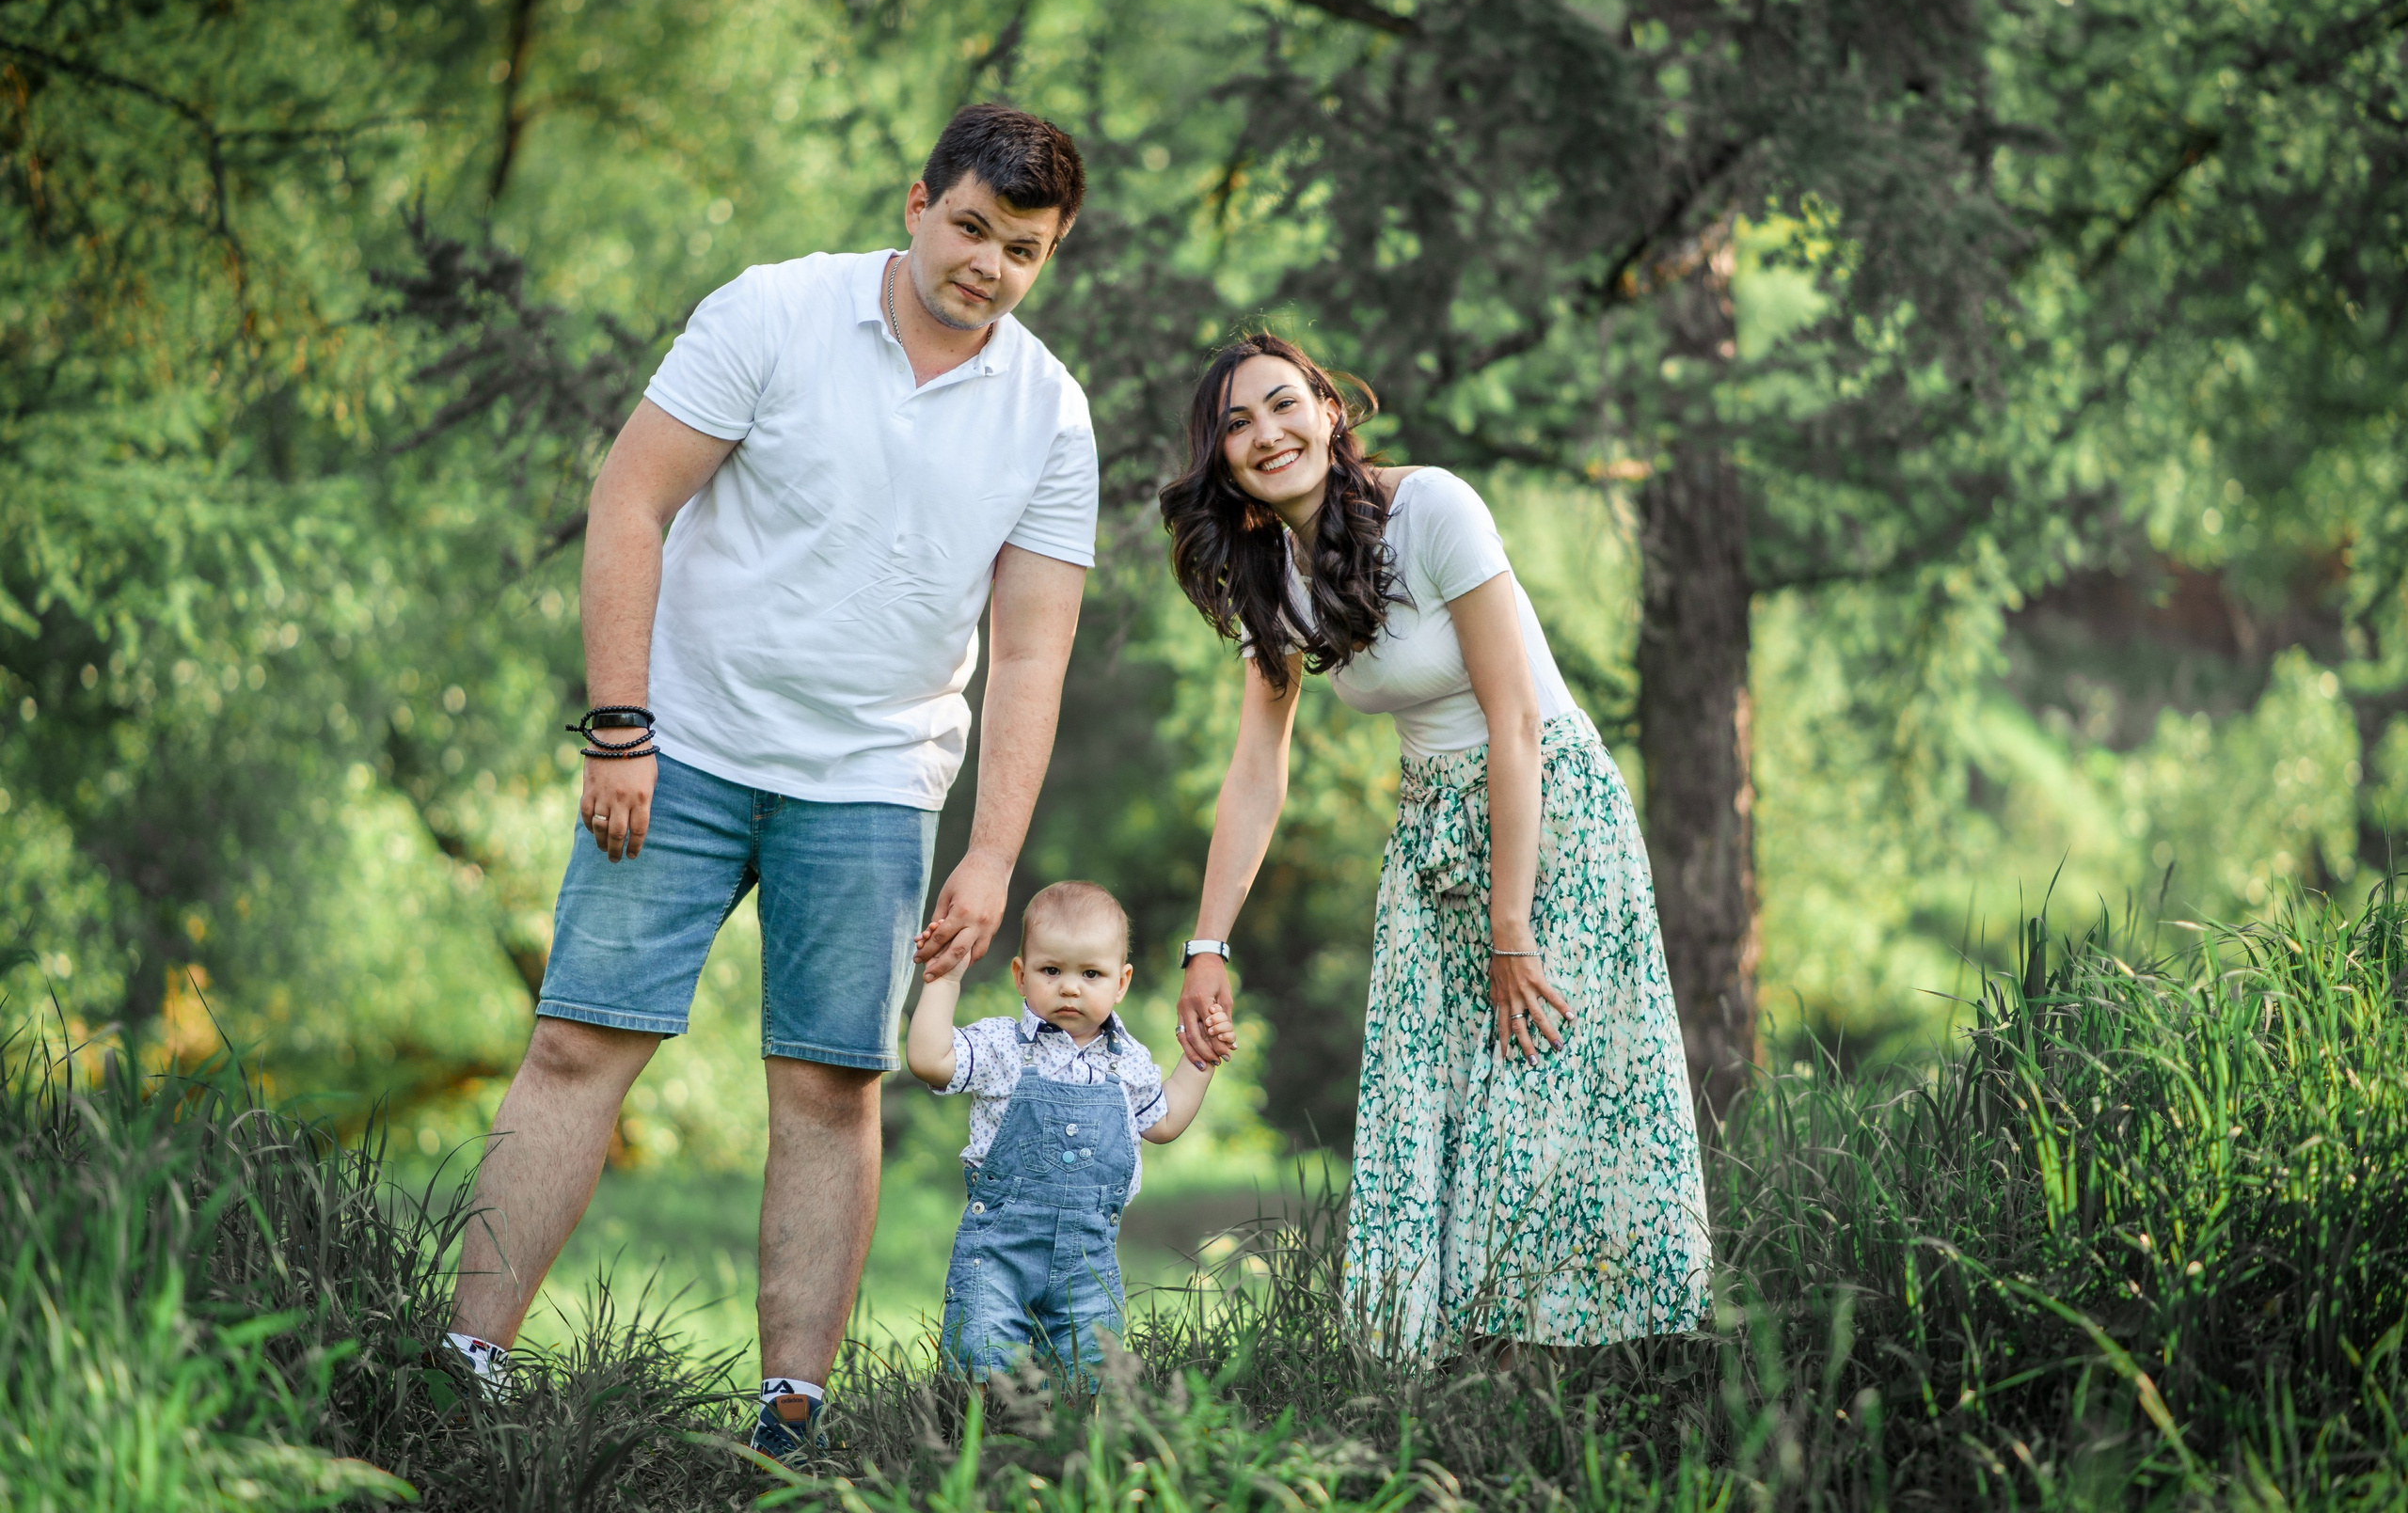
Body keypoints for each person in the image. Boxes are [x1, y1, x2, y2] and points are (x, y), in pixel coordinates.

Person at [444, 104, 1100, 1459]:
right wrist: (619, 727)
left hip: (870, 781)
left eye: (1021, 249)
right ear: (919, 202)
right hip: (681, 747)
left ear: (1049, 257)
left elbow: (1032, 650)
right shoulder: (774, 312)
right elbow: (632, 500)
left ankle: (790, 1416)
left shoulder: (1049, 412)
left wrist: (990, 855)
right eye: (971, 226)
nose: (987, 263)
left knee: (830, 1084)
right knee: (578, 1043)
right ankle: (463, 1366)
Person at [1157, 332, 1712, 1354]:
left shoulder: (1432, 507)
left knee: (1533, 1104)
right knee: (1434, 1103)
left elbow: (1517, 722)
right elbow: (1255, 772)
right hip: (1429, 839)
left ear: (1329, 409)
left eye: (1283, 404)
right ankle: (1449, 1380)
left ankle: (1595, 1372)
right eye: (1237, 424)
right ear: (1222, 462)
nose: (1267, 433)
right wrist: (1207, 945)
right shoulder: (1268, 570)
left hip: (1550, 818)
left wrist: (1512, 931)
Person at [904, 880, 1232, 1379]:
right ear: (1020, 974)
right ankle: (980, 1442)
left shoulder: (1130, 1062)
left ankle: (1073, 1448)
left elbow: (1163, 1121)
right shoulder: (1004, 1045)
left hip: (1089, 1256)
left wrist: (1201, 1060)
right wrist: (944, 981)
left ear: (1121, 983)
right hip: (999, 1254)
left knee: (1090, 1373)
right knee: (983, 1363)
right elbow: (930, 1061)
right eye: (1051, 970)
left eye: (1091, 974)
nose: (1070, 987)